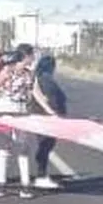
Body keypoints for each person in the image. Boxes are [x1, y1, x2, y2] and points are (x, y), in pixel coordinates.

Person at [0, 44, 57, 199]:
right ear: (25, 56)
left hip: (22, 114)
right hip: (5, 112)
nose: (33, 58)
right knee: (5, 149)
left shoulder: (30, 74)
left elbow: (37, 94)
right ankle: (1, 184)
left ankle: (24, 185)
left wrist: (50, 112)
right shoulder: (7, 71)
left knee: (23, 149)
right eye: (31, 55)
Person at [32, 53, 68, 190]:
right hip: (47, 118)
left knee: (46, 145)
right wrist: (56, 114)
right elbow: (51, 99)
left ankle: (41, 173)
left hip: (45, 116)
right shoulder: (46, 80)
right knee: (46, 145)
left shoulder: (41, 78)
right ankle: (41, 175)